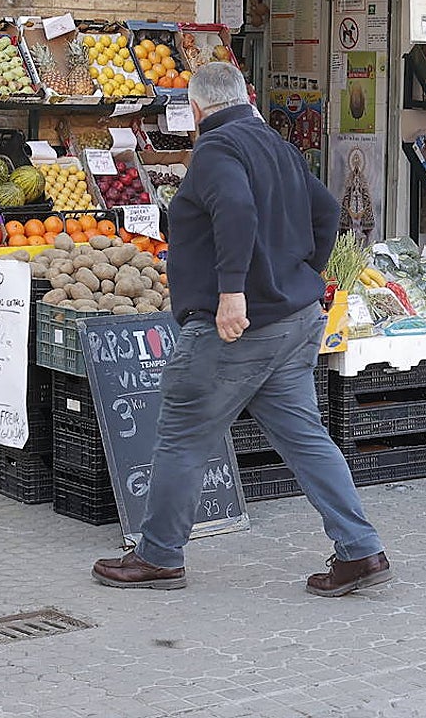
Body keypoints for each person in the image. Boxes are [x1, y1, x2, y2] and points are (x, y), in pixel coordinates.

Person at [92, 62, 392, 597]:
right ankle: (360, 550)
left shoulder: (215, 150)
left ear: (199, 109)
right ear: (244, 97)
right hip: (294, 322)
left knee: (183, 436)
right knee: (305, 438)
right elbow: (326, 211)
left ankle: (159, 556)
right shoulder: (276, 144)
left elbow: (234, 207)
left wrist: (234, 291)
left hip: (234, 327)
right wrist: (301, 271)